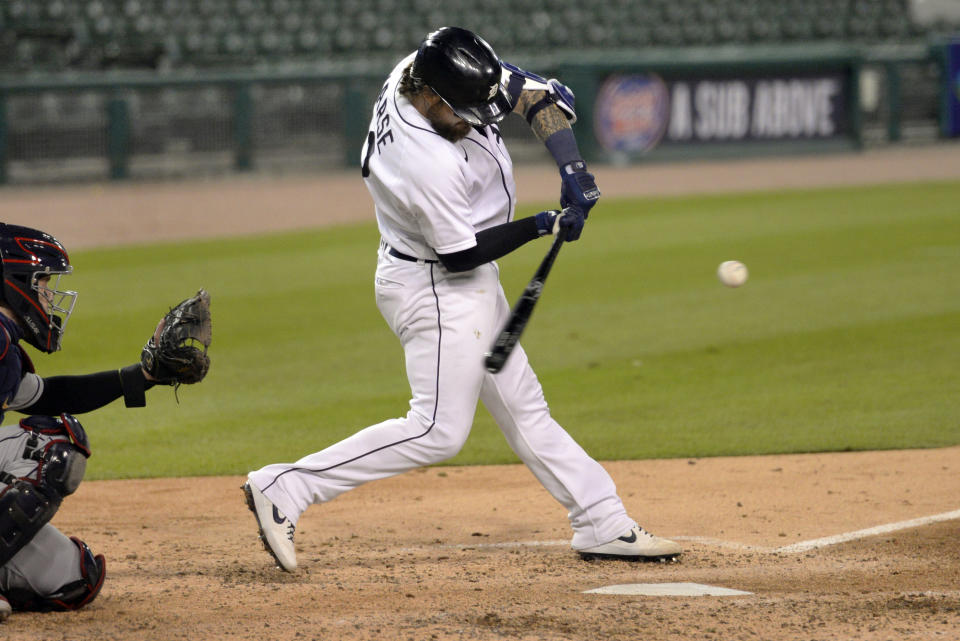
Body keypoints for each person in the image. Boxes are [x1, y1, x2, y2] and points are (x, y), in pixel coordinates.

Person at [242, 26, 681, 573]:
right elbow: (460, 256)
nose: (477, 120)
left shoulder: (429, 69)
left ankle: (602, 521)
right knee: (437, 431)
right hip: (436, 285)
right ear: (428, 98)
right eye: (464, 113)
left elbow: (533, 96)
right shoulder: (423, 160)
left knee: (524, 406)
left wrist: (572, 168)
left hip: (451, 277)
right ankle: (286, 485)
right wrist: (543, 223)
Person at [0, 223, 209, 622]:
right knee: (55, 446)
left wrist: (140, 377)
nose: (49, 295)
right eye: (43, 282)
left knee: (73, 578)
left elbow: (51, 394)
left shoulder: (4, 345)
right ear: (12, 281)